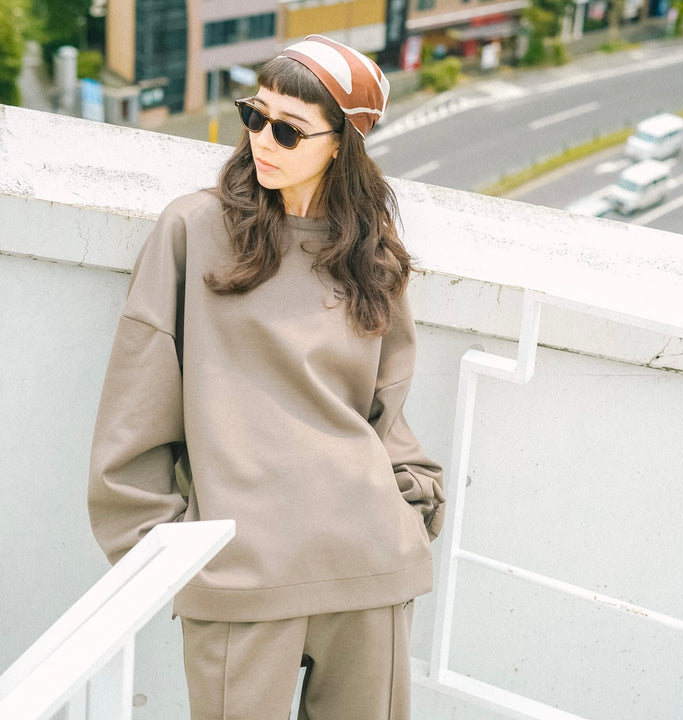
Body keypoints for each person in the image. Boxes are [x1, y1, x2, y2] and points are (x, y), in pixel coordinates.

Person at [88, 34, 445, 720]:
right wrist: (163, 552)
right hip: (239, 571)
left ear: (341, 144)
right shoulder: (193, 229)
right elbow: (137, 402)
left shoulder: (372, 253)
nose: (262, 138)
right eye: (255, 115)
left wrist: (412, 503)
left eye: (289, 128)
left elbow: (385, 409)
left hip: (368, 562)